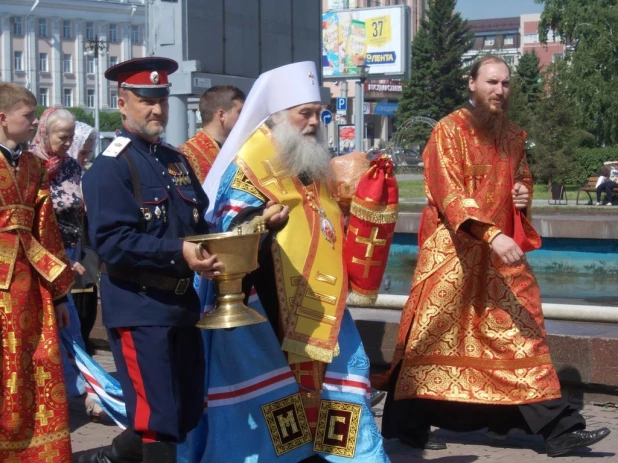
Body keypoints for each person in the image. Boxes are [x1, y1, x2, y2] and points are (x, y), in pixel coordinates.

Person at [376, 55, 610, 458]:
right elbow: (449, 194)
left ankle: (559, 430)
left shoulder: (513, 136)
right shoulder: (447, 132)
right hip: (451, 257)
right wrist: (491, 232)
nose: (499, 90)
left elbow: (520, 177)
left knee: (520, 335)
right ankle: (408, 428)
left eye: (505, 84)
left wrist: (522, 196)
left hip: (497, 261)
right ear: (471, 83)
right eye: (491, 82)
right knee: (430, 340)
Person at [185, 61, 390, 463]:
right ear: (278, 116)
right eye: (305, 114)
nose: (314, 122)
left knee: (342, 388)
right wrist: (260, 222)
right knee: (274, 403)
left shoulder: (310, 162)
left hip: (323, 303)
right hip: (267, 305)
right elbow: (226, 224)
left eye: (318, 113)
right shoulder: (249, 165)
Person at [78, 57, 223, 463]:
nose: (157, 109)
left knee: (185, 411)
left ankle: (110, 457)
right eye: (146, 100)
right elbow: (111, 242)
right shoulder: (111, 165)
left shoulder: (174, 160)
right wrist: (179, 251)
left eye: (162, 99)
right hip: (140, 306)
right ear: (122, 102)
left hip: (180, 305)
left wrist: (245, 228)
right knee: (155, 420)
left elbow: (199, 223)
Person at [0, 83, 74, 460]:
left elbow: (46, 230)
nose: (33, 123)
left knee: (36, 363)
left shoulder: (33, 166)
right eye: (27, 116)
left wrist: (59, 293)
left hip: (30, 285)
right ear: (3, 118)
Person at [32, 108, 106, 419]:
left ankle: (88, 391)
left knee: (72, 324)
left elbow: (84, 205)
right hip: (41, 260)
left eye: (69, 136)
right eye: (63, 137)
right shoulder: (29, 167)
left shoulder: (73, 167)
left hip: (72, 256)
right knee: (49, 329)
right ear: (45, 134)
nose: (67, 142)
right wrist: (56, 260)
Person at [67, 122, 100, 354]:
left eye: (89, 152)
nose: (85, 157)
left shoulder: (86, 174)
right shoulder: (55, 173)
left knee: (87, 302)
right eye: (82, 152)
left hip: (86, 246)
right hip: (66, 247)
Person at [179, 85, 245, 183]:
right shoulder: (183, 156)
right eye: (240, 112)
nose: (245, 117)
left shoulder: (239, 151)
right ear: (222, 115)